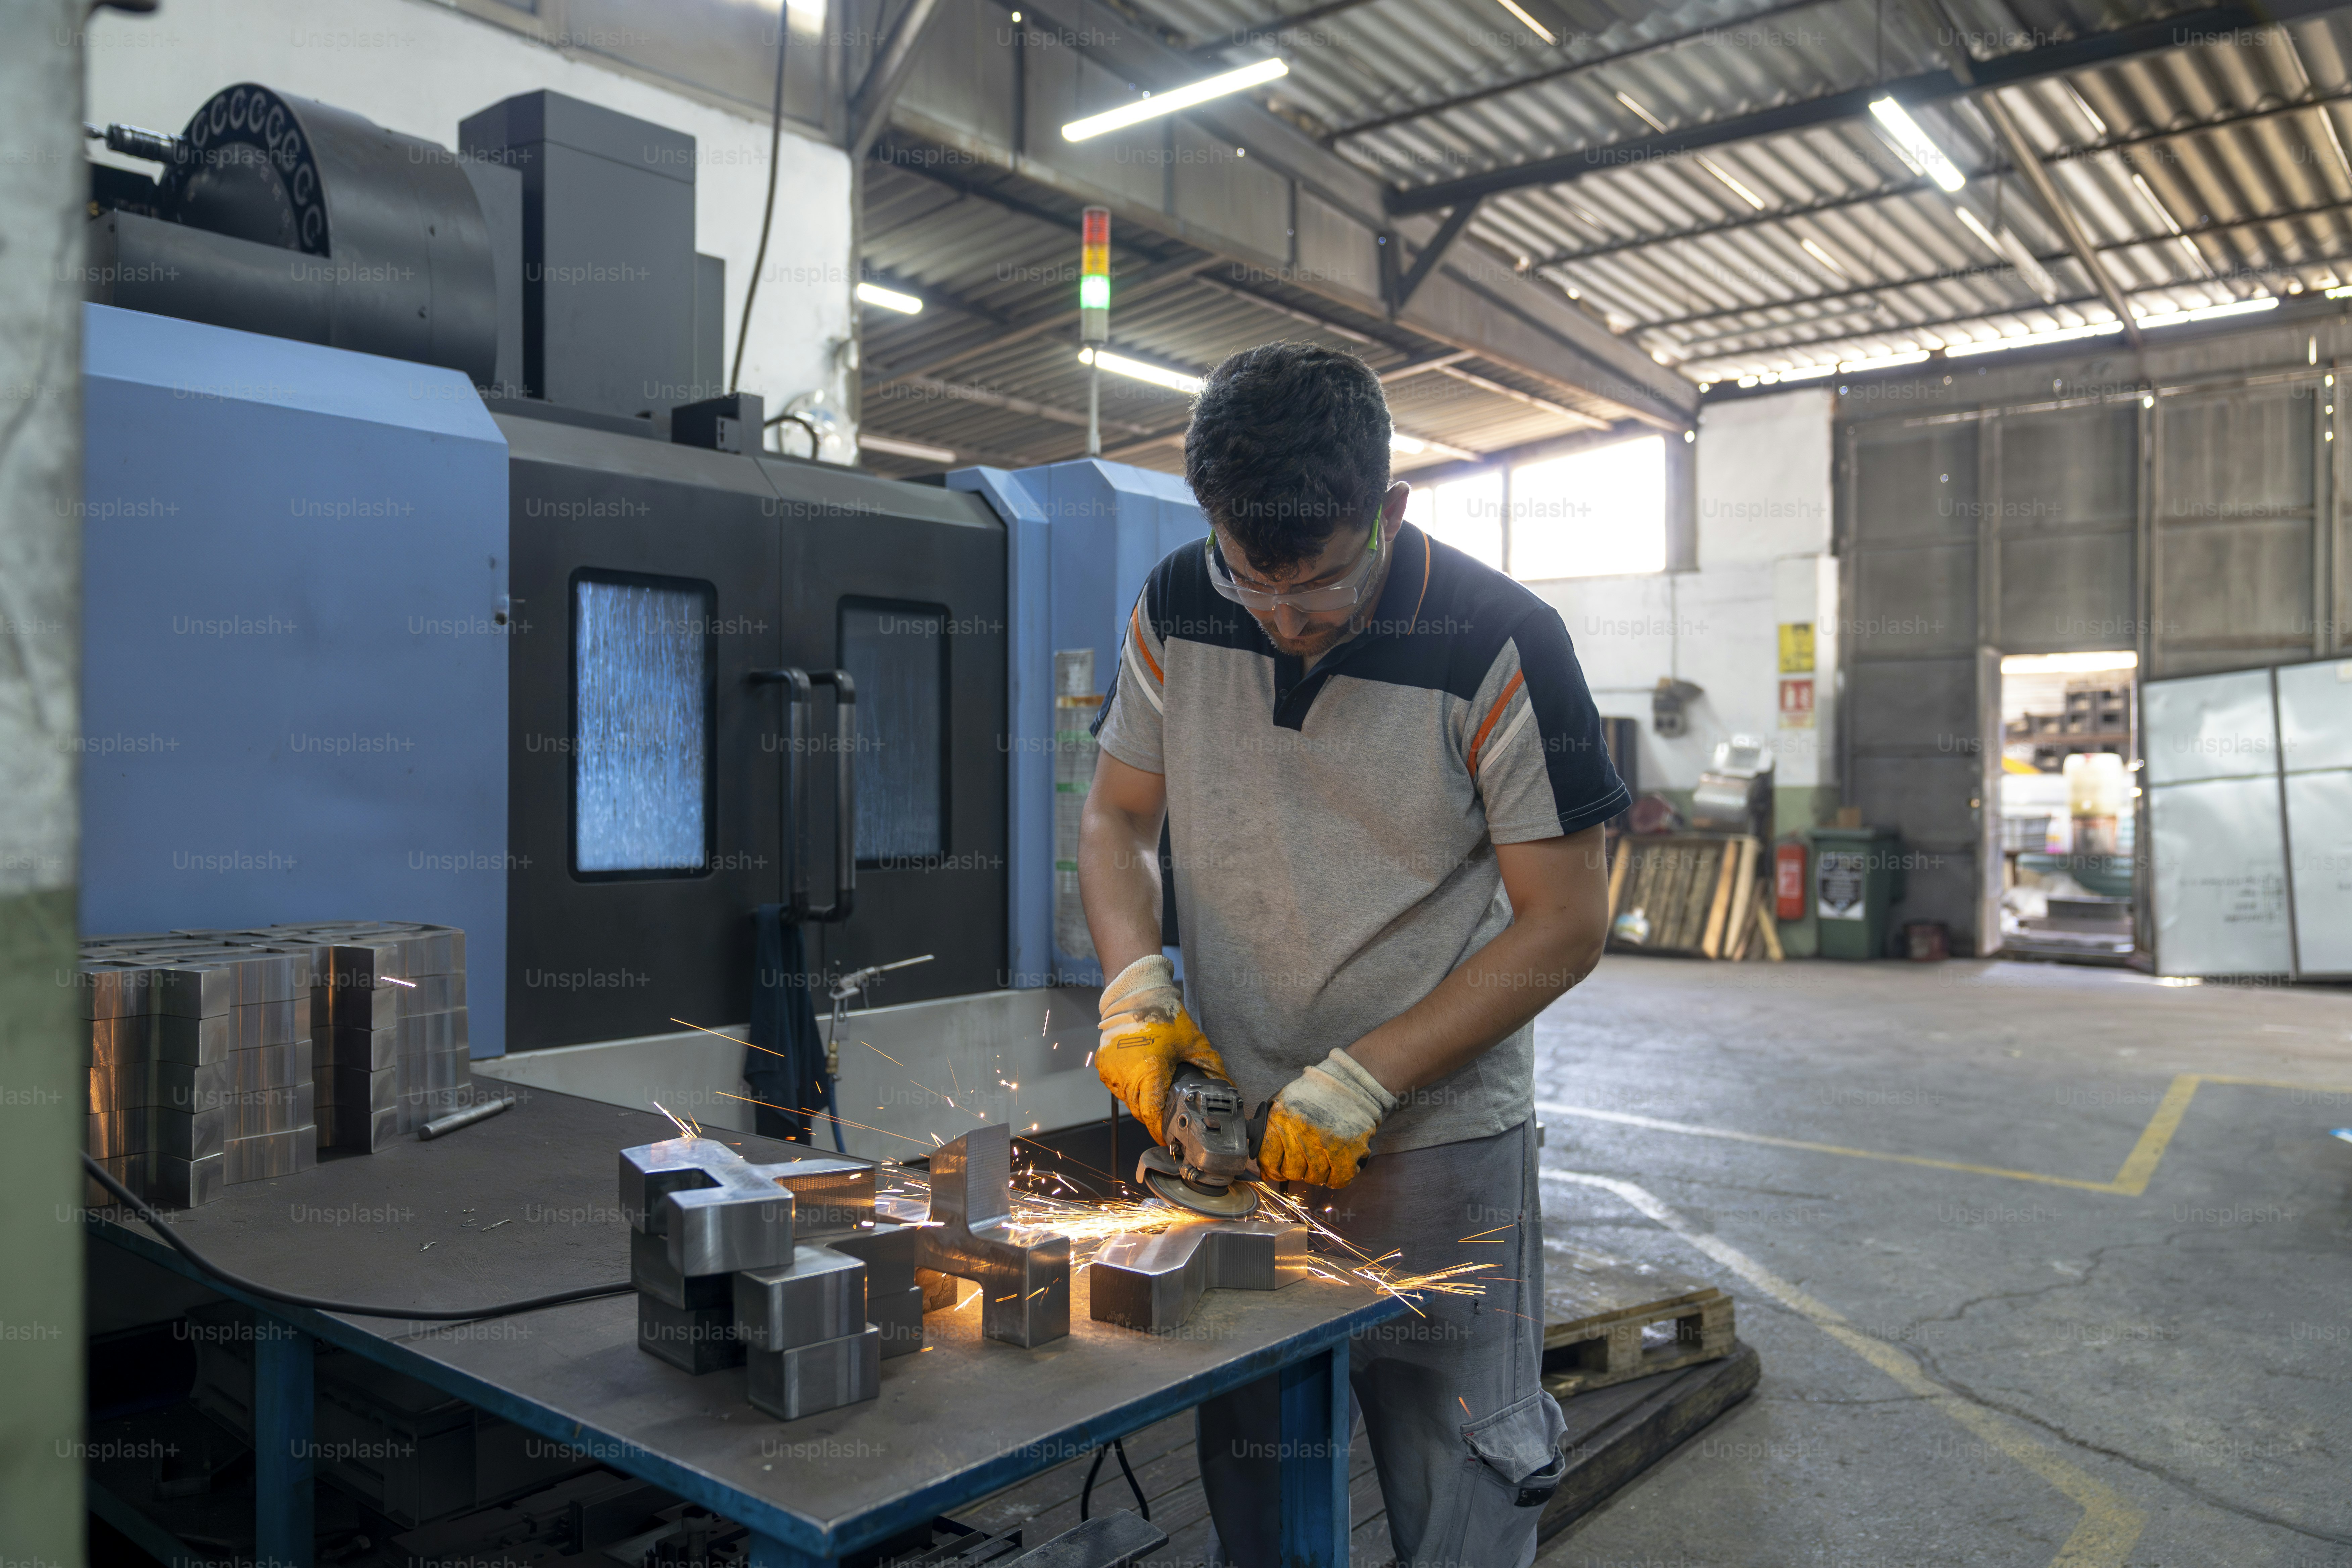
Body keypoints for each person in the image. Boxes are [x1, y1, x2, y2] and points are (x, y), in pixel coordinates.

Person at [1078, 341, 1626, 1567]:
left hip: (1435, 1145)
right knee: (1261, 1472)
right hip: (1232, 1141)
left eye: (1318, 586)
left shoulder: (1500, 640)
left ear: (1388, 511)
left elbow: (1566, 921)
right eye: (1252, 580)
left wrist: (1368, 1073)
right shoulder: (1177, 604)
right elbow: (1117, 819)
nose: (1283, 619)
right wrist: (1134, 994)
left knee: (1459, 1470)